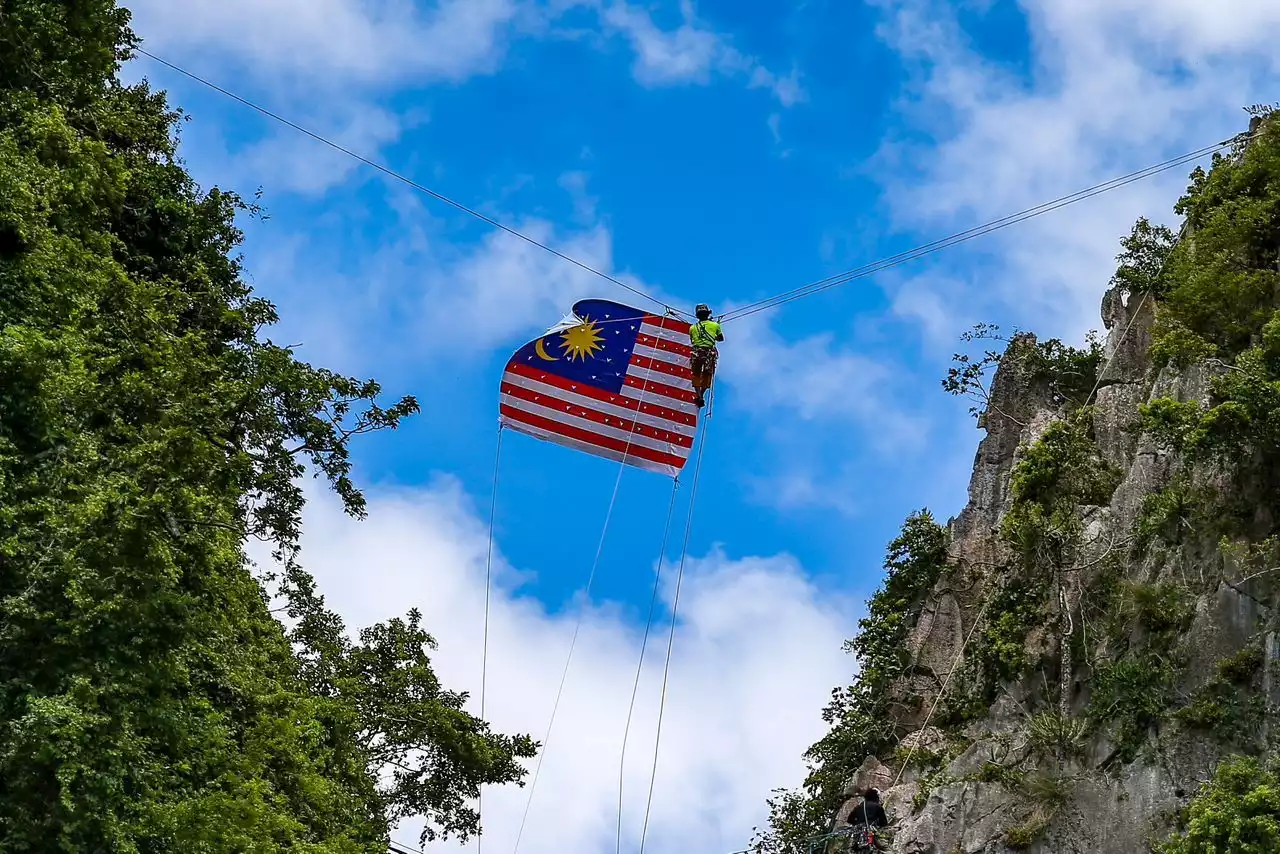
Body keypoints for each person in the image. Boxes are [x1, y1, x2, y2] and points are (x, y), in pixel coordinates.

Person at [688, 304, 724, 408]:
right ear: (708, 314)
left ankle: (699, 396)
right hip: (709, 353)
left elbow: (692, 340)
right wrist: (714, 331)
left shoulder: (692, 328)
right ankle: (701, 396)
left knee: (696, 374)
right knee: (707, 375)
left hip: (697, 352)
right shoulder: (715, 326)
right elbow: (721, 339)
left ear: (697, 316)